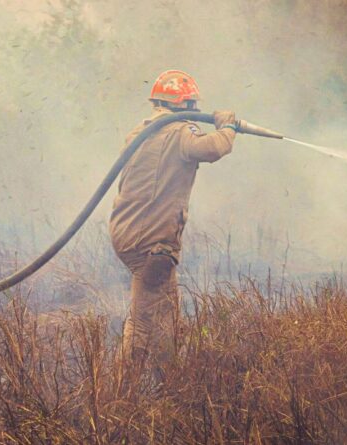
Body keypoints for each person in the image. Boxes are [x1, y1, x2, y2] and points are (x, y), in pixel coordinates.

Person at [109, 70, 237, 377]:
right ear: (186, 105)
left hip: (131, 236)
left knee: (166, 313)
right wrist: (228, 125)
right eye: (193, 104)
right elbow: (213, 148)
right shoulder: (179, 133)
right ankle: (121, 392)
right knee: (142, 322)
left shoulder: (140, 132)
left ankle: (171, 378)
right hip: (151, 244)